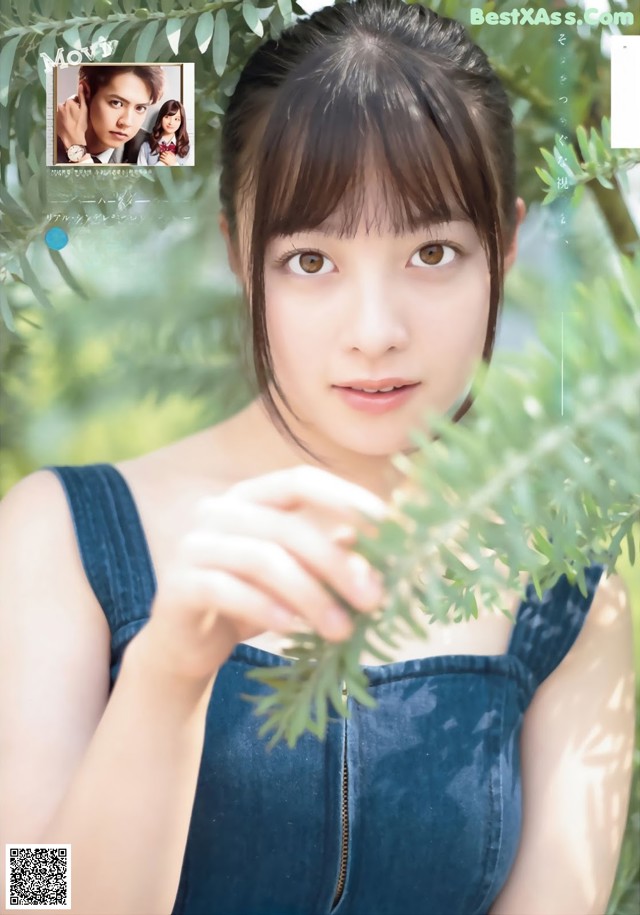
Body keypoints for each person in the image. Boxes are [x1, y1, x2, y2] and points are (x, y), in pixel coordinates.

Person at [1, 1, 634, 914]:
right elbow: (29, 892)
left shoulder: (568, 594)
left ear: (505, 246)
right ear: (239, 255)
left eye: (433, 250)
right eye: (310, 260)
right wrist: (169, 670)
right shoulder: (66, 533)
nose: (375, 332)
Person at [55, 64, 165, 165]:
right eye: (116, 103)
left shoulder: (151, 151)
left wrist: (77, 151)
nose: (127, 122)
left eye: (140, 108)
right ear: (86, 92)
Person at [137, 99, 192, 166]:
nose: (171, 122)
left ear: (181, 122)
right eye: (167, 117)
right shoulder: (146, 147)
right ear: (161, 118)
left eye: (176, 119)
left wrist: (174, 164)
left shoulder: (187, 149)